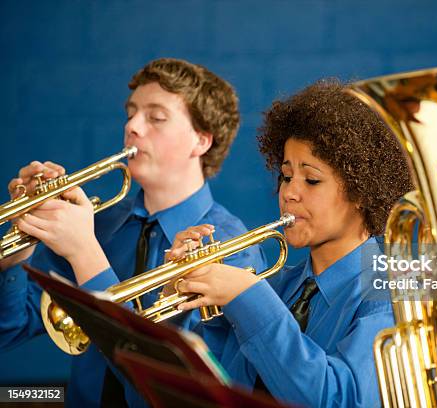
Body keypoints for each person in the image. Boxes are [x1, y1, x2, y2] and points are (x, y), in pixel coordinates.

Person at [0, 58, 265, 407]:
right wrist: (18, 256)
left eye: (155, 117)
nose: (132, 126)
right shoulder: (97, 223)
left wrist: (85, 255)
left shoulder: (232, 246)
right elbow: (11, 328)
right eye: (131, 113)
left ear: (201, 141)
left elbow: (176, 392)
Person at [164, 80, 413, 407]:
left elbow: (339, 399)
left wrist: (249, 298)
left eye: (311, 179)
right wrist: (175, 302)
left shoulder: (391, 292)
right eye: (285, 175)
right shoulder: (280, 284)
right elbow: (205, 385)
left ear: (360, 192)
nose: (289, 193)